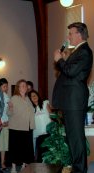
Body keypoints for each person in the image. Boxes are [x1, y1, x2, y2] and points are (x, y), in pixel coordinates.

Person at [52, 22, 93, 173]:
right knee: (72, 138)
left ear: (79, 34)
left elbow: (71, 71)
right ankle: (78, 169)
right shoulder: (77, 51)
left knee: (76, 139)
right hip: (70, 101)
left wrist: (60, 60)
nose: (68, 36)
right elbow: (67, 72)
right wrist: (62, 60)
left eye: (71, 33)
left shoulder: (85, 51)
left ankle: (80, 170)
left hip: (75, 101)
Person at [8, 79, 35, 173]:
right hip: (16, 127)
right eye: (22, 85)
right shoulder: (14, 98)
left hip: (27, 127)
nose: (25, 87)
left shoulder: (28, 98)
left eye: (25, 85)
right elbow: (9, 113)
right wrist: (10, 108)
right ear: (18, 88)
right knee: (15, 148)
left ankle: (24, 165)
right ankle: (13, 167)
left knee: (26, 148)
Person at [27, 89, 51, 162]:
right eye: (31, 96)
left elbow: (51, 115)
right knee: (41, 155)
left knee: (49, 154)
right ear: (30, 99)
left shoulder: (45, 103)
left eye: (35, 95)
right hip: (39, 135)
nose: (34, 97)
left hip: (48, 133)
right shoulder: (31, 109)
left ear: (38, 95)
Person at [0, 78, 9, 171]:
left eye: (6, 86)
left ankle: (2, 162)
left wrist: (8, 121)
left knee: (4, 145)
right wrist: (0, 121)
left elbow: (8, 110)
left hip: (6, 122)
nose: (6, 88)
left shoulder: (6, 96)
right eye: (4, 86)